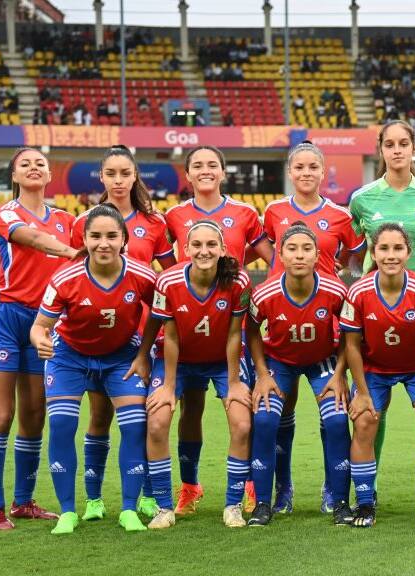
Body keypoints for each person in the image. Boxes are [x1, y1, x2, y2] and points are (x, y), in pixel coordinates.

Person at [29, 204, 157, 534]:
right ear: (84, 239)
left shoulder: (143, 276)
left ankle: (129, 509)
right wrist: (40, 339)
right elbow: (39, 326)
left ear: (124, 240)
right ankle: (69, 512)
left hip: (120, 358)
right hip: (69, 358)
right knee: (60, 425)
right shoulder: (65, 278)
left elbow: (161, 318)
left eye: (112, 236)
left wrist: (144, 354)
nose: (104, 243)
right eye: (95, 236)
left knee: (134, 426)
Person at [163, 145, 274, 515]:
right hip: (186, 329)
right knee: (188, 413)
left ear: (223, 172)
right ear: (188, 173)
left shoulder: (244, 213)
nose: (206, 170)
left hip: (230, 326)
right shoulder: (174, 215)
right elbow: (166, 266)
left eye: (213, 164)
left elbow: (273, 259)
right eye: (198, 165)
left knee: (244, 413)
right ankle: (190, 487)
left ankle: (248, 487)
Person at [70, 145, 176, 522]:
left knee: (144, 418)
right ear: (102, 177)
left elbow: (169, 276)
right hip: (100, 335)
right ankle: (94, 499)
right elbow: (71, 275)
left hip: (142, 336)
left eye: (124, 173)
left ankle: (147, 494)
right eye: (110, 174)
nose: (117, 180)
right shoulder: (84, 221)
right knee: (99, 417)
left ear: (135, 177)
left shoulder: (155, 222)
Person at [348, 120, 415, 511]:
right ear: (380, 150)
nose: (396, 150)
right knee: (372, 411)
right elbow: (355, 256)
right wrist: (361, 290)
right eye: (389, 144)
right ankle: (366, 490)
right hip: (378, 311)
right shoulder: (362, 198)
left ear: (413, 148)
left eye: (403, 143)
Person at [259, 141, 366, 513]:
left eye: (313, 168)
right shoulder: (273, 211)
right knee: (278, 414)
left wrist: (346, 276)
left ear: (323, 173)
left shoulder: (339, 216)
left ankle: (332, 489)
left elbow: (356, 256)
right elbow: (267, 251)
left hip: (324, 327)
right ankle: (282, 490)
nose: (306, 173)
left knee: (333, 414)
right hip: (283, 326)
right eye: (299, 168)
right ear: (291, 172)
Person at [0, 147, 77, 530]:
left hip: (45, 321)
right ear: (15, 176)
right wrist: (70, 250)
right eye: (25, 164)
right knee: (2, 415)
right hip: (4, 317)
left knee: (35, 415)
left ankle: (23, 502)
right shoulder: (6, 213)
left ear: (50, 175)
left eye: (40, 164)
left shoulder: (67, 219)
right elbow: (32, 239)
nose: (33, 168)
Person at [136, 220, 253, 529]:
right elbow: (170, 337)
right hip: (179, 359)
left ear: (223, 249)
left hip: (222, 360)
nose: (204, 251)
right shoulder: (169, 281)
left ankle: (233, 505)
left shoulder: (238, 281)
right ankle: (164, 507)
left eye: (211, 244)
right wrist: (169, 387)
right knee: (158, 422)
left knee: (242, 424)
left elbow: (233, 335)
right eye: (197, 245)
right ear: (184, 250)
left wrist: (233, 383)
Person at [341, 223, 415, 529]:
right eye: (383, 249)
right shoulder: (359, 291)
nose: (391, 255)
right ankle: (365, 503)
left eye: (397, 249)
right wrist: (362, 393)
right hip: (375, 369)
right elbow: (351, 345)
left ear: (408, 252)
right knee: (364, 420)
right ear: (373, 253)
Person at [246, 222, 352, 527]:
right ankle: (266, 501)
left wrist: (340, 372)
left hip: (324, 361)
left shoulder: (335, 290)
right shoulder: (264, 293)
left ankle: (338, 499)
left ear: (318, 254)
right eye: (292, 249)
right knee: (265, 420)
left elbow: (350, 333)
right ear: (280, 254)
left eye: (307, 249)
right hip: (279, 362)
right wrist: (263, 374)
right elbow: (252, 332)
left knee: (335, 420)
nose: (300, 255)